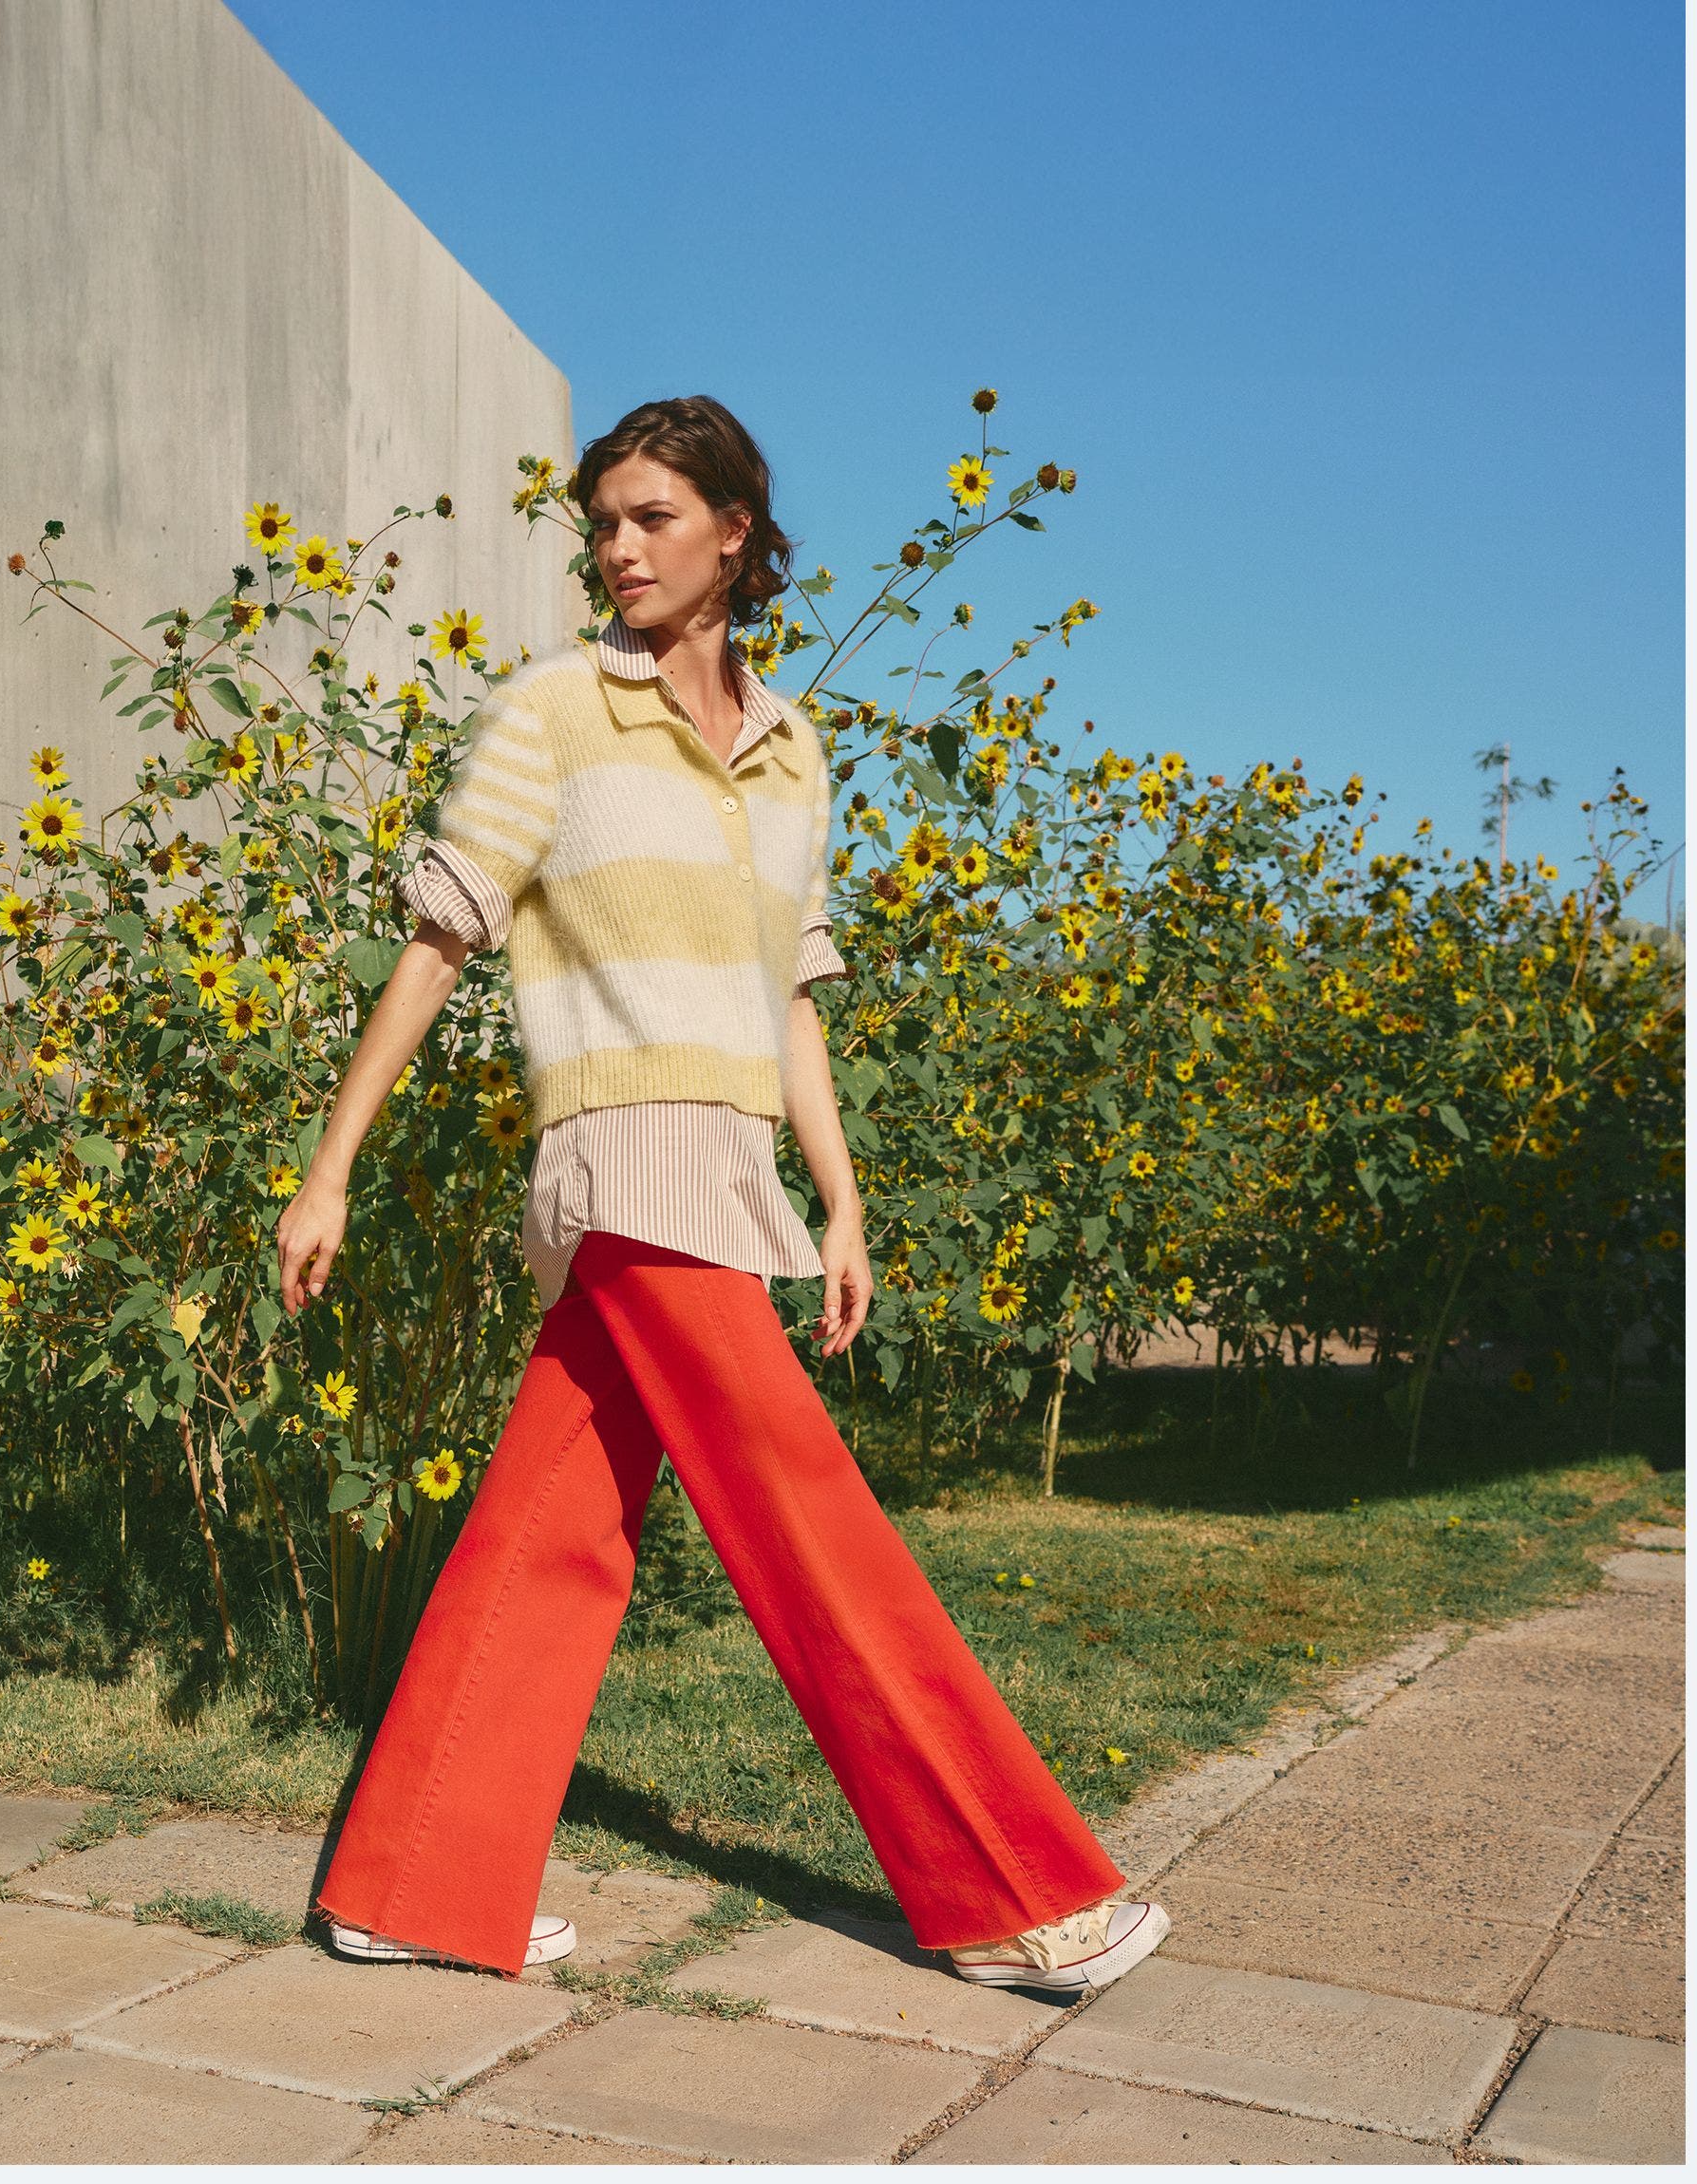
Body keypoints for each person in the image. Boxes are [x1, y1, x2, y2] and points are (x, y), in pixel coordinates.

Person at [273, 395, 1168, 1998]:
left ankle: (413, 1876)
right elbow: (437, 945)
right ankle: (1008, 1886)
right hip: (621, 1166)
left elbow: (792, 997)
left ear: (735, 533)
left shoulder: (795, 749)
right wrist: (327, 1168)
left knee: (556, 1531)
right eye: (602, 521)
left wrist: (841, 1201)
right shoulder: (554, 711)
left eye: (652, 519)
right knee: (808, 1524)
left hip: (734, 1171)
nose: (618, 548)